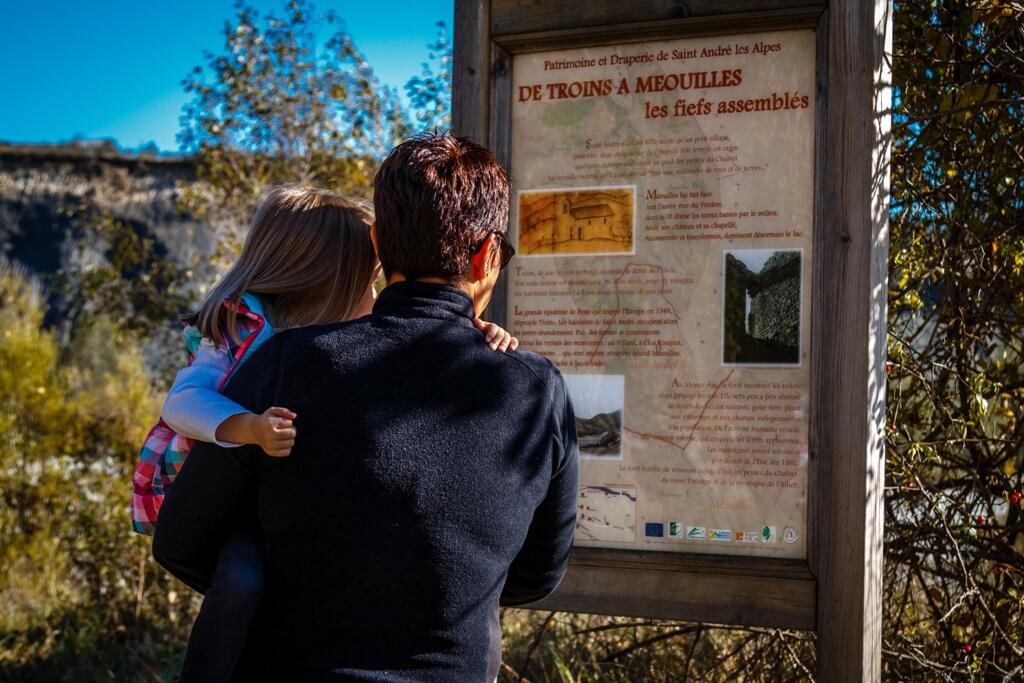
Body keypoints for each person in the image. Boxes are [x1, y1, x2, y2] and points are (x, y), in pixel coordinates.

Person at [153, 131, 579, 682]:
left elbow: (183, 541)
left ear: (378, 244)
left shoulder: (284, 365)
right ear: (487, 255)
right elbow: (537, 572)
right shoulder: (535, 389)